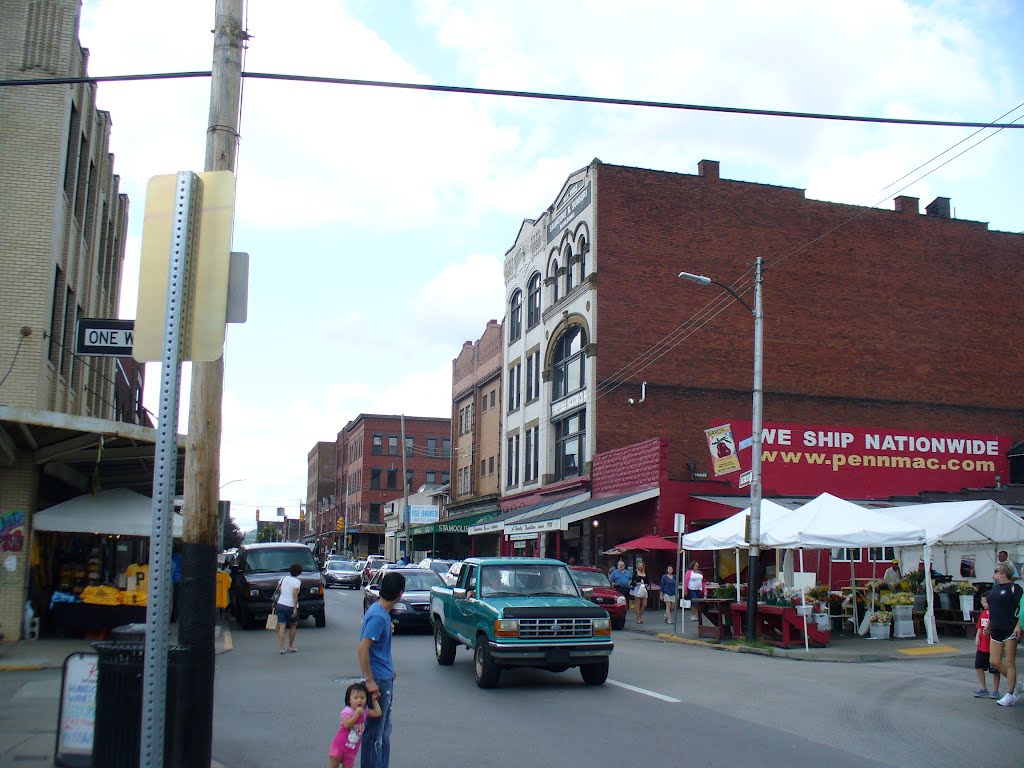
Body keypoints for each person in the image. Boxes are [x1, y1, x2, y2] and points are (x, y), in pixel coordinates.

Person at [358, 570, 405, 767]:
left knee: (382, 730)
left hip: (383, 676)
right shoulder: (379, 616)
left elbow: (378, 650)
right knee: (376, 733)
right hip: (378, 681)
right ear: (400, 593)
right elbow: (363, 648)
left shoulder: (379, 611)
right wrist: (369, 680)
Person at [986, 561, 1023, 706]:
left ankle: (1010, 694)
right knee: (994, 661)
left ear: (1003, 573)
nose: (994, 573)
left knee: (1009, 662)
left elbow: (1022, 609)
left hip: (1010, 629)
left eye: (996, 571)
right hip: (996, 629)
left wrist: (1019, 626)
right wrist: (988, 625)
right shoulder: (994, 589)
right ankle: (1017, 684)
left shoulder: (1015, 588)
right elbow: (992, 609)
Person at [329, 681, 382, 768]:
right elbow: (346, 725)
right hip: (339, 746)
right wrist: (356, 714)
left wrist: (374, 701)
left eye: (362, 697)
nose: (359, 700)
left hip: (351, 749)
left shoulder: (365, 711)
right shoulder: (347, 711)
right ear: (349, 700)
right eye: (355, 697)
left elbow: (377, 713)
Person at [973, 592, 1001, 699]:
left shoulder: (996, 614)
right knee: (979, 666)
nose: (984, 604)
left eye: (986, 601)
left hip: (993, 646)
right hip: (982, 646)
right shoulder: (983, 613)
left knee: (995, 669)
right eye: (982, 601)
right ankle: (983, 687)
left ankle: (995, 690)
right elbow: (980, 626)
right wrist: (977, 637)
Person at [275, 563, 302, 654]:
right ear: (299, 573)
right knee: (293, 625)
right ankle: (290, 646)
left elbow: (277, 590)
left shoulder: (283, 578)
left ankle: (282, 648)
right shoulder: (297, 582)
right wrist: (295, 608)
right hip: (290, 606)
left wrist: (274, 602)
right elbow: (295, 594)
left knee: (281, 627)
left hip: (280, 604)